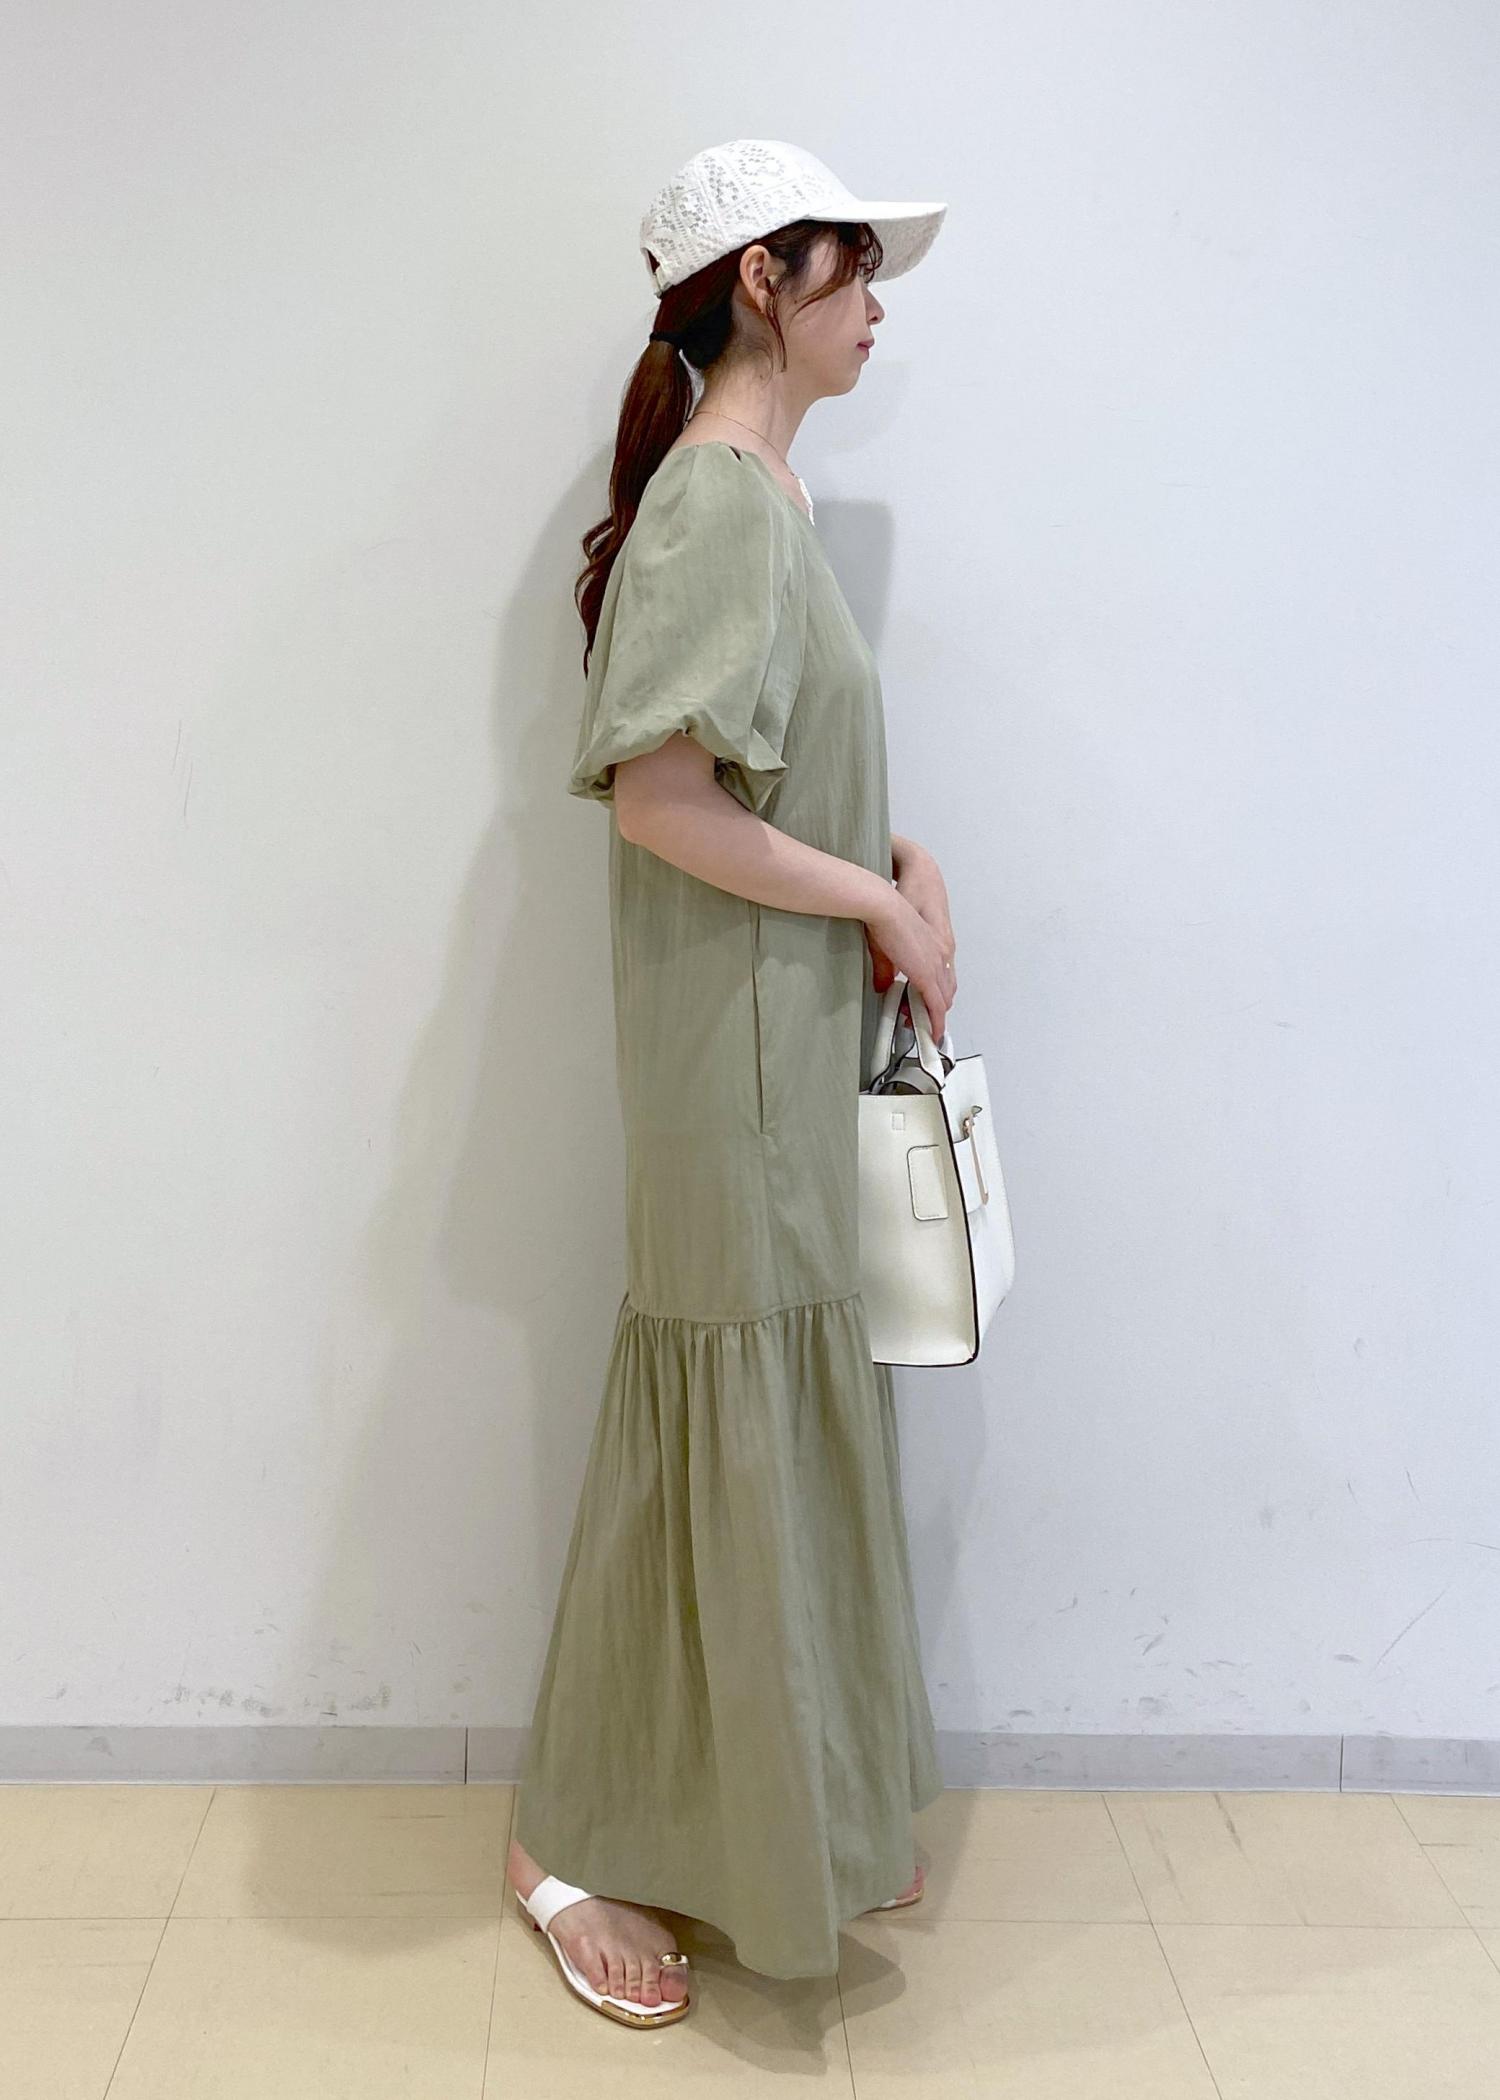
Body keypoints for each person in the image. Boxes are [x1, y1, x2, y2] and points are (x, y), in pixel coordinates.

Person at [510, 139, 956, 2027]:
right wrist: (874, 897)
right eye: (856, 264)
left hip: (782, 1039)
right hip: (732, 1053)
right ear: (764, 279)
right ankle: (561, 1846)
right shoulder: (717, 500)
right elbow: (665, 803)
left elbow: (773, 773)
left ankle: (783, 1811)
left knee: (763, 1411)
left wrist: (899, 862)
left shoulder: (764, 493)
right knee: (714, 1420)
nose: (882, 302)